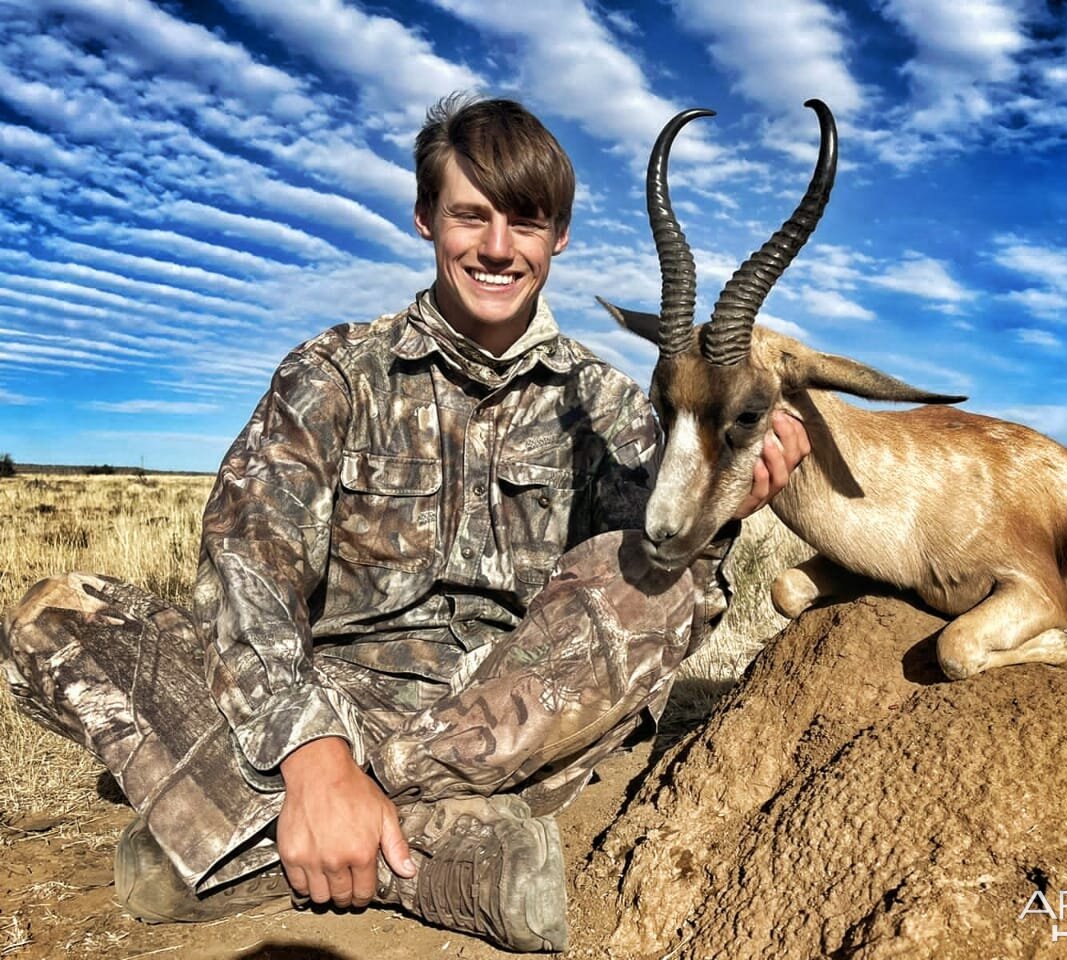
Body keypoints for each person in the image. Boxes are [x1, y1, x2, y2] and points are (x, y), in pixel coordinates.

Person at [0, 95, 808, 953]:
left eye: (526, 223)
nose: (498, 247)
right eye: (471, 216)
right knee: (52, 612)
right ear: (426, 218)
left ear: (558, 237)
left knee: (658, 576)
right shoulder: (334, 371)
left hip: (505, 713)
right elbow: (247, 565)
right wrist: (314, 755)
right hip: (330, 702)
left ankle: (263, 831)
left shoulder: (603, 400)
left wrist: (730, 502)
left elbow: (645, 594)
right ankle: (431, 851)